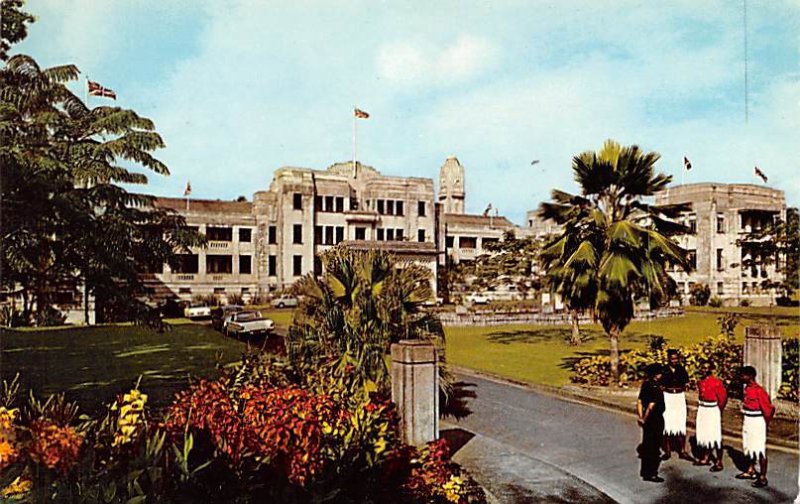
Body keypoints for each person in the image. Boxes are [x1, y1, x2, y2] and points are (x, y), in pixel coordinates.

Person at [736, 366, 775, 488]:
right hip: (748, 419)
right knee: (749, 445)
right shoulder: (747, 388)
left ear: (750, 377)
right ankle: (751, 470)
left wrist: (764, 424)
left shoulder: (760, 391)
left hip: (757, 421)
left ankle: (762, 477)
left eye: (743, 376)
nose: (741, 378)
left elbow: (768, 410)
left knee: (759, 449)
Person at [694, 359, 727, 471]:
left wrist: (717, 410)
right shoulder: (700, 382)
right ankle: (706, 457)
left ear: (711, 369)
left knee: (715, 436)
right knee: (704, 434)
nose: (704, 370)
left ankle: (719, 461)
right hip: (702, 408)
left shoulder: (716, 382)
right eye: (702, 368)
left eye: (706, 368)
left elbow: (723, 399)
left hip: (712, 409)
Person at [661, 349, 693, 461]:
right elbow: (659, 383)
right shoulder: (664, 370)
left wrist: (687, 385)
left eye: (676, 359)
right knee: (668, 423)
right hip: (668, 396)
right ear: (668, 359)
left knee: (680, 423)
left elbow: (687, 382)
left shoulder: (681, 369)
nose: (675, 361)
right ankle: (667, 451)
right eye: (672, 359)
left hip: (679, 396)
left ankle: (682, 451)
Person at [637, 363, 665, 482]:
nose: (661, 375)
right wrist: (646, 417)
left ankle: (645, 471)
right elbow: (651, 405)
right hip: (655, 419)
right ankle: (652, 472)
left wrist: (641, 417)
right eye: (659, 373)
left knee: (647, 443)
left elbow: (639, 401)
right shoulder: (655, 387)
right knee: (654, 447)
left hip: (646, 420)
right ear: (655, 375)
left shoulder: (645, 384)